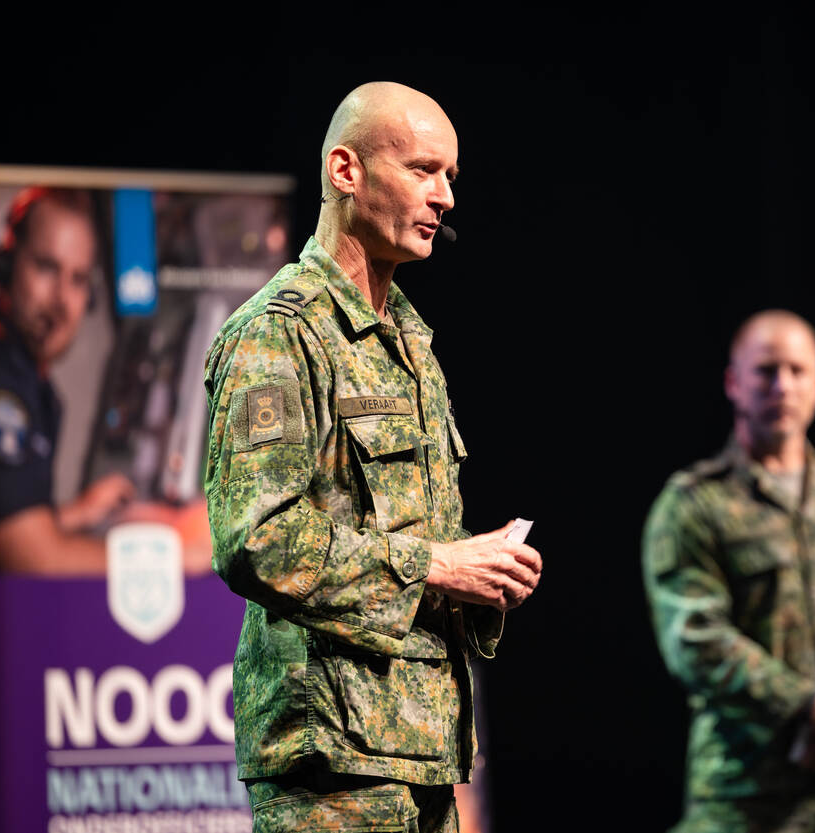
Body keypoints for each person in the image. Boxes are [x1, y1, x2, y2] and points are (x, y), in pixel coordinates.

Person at [202, 82, 543, 833]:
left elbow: (412, 538)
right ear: (345, 171)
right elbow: (256, 540)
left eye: (451, 176)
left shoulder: (409, 341)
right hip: (329, 761)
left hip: (420, 752)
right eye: (424, 169)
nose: (445, 196)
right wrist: (439, 566)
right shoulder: (279, 334)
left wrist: (480, 573)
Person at [642, 309, 815, 833]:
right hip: (750, 796)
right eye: (766, 371)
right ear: (733, 382)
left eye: (797, 372)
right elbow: (696, 639)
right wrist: (812, 709)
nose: (782, 386)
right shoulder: (695, 505)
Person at [0, 187, 147, 574]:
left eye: (78, 279)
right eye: (46, 267)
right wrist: (175, 557)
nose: (61, 301)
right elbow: (29, 556)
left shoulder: (36, 385)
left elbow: (1, 524)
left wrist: (79, 512)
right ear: (6, 264)